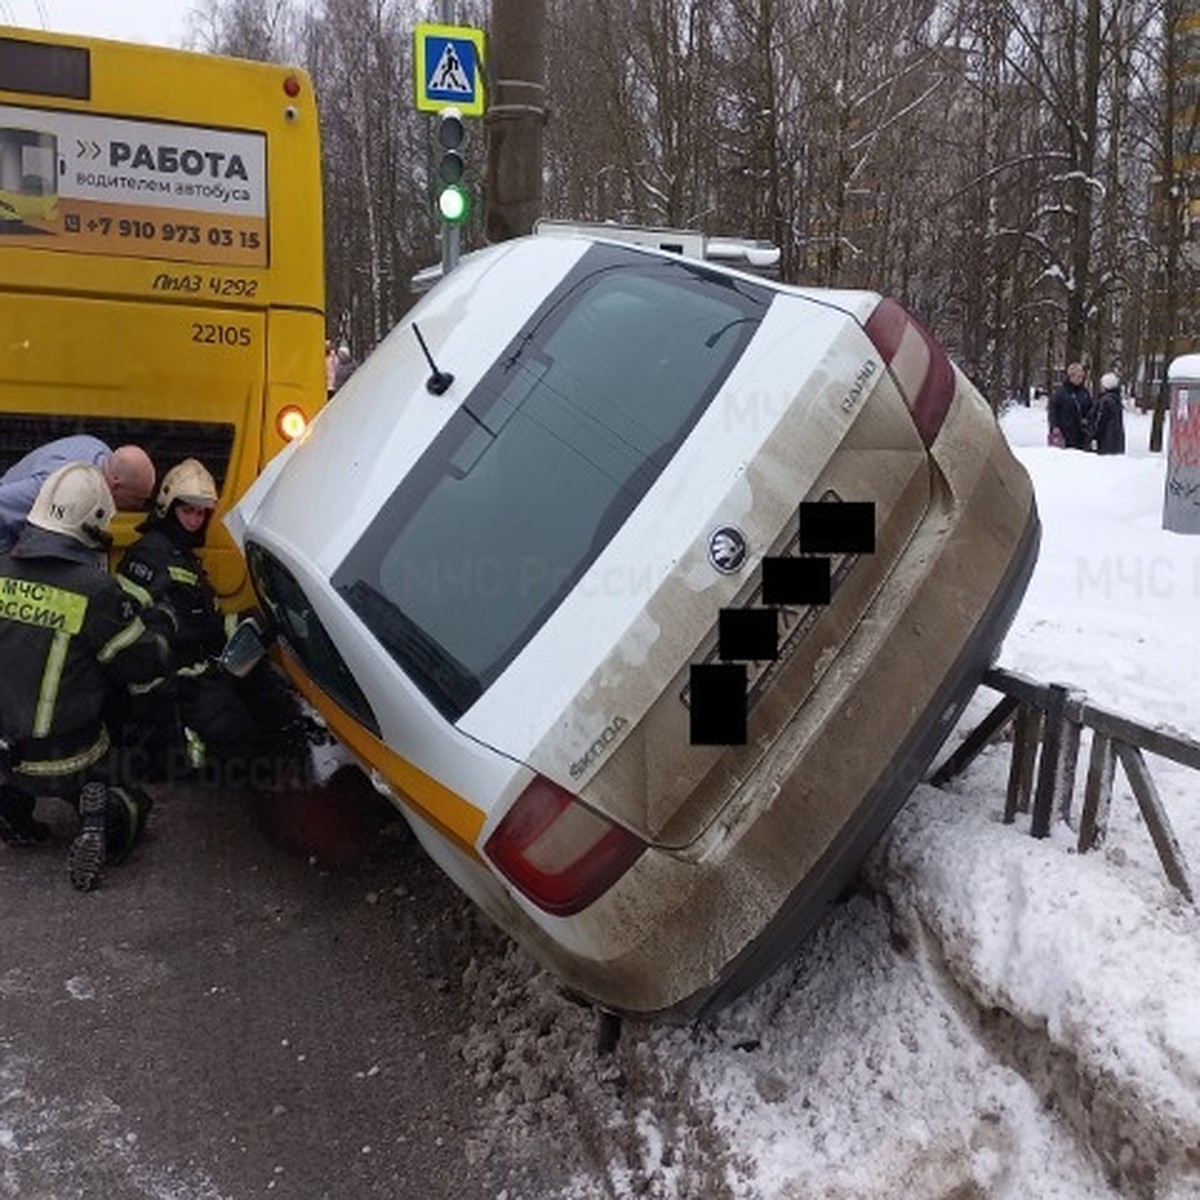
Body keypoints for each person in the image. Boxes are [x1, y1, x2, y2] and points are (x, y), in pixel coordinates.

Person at [0, 463, 171, 890]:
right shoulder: (94, 590)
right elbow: (141, 663)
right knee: (135, 803)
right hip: (70, 755)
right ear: (93, 523)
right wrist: (161, 625)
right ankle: (103, 816)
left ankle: (13, 809)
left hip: (5, 750)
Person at [115, 458, 304, 786]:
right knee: (244, 748)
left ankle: (288, 736)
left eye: (201, 513)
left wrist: (255, 623)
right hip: (173, 685)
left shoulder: (177, 553)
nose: (194, 520)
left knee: (258, 681)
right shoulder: (151, 556)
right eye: (187, 511)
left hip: (198, 670)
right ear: (167, 507)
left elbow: (207, 624)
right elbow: (154, 636)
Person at [0, 435, 156, 552]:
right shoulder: (57, 485)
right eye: (137, 500)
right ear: (116, 486)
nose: (139, 506)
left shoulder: (102, 457)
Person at [1048, 362, 1094, 450]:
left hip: (1082, 434)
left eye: (1082, 376)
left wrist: (1088, 419)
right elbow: (1053, 410)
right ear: (1071, 376)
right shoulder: (1060, 393)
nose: (1081, 379)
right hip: (1065, 433)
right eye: (1078, 376)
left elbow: (1090, 409)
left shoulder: (1085, 392)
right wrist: (1054, 426)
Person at [1091, 371, 1126, 456]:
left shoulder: (1105, 401)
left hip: (1106, 441)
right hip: (1117, 440)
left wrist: (1094, 436)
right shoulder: (1116, 400)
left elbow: (1101, 421)